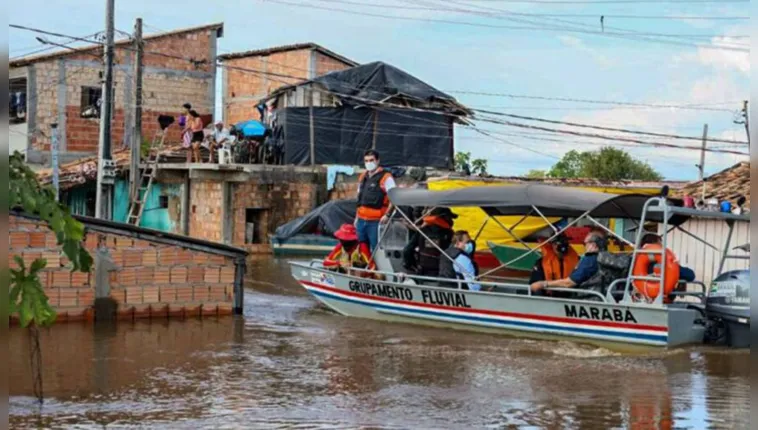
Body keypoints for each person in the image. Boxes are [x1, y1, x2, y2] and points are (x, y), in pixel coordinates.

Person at [530, 231, 605, 294]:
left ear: (594, 245)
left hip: (575, 296)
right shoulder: (541, 263)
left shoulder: (586, 260)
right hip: (551, 297)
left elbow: (570, 283)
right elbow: (534, 286)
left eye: (585, 243)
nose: (562, 245)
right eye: (557, 243)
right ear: (552, 245)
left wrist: (544, 284)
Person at [354, 150, 396, 253]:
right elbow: (359, 198)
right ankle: (364, 268)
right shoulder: (363, 176)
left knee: (376, 249)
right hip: (361, 220)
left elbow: (394, 198)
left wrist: (387, 215)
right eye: (366, 161)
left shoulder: (386, 177)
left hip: (376, 221)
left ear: (377, 161)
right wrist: (356, 217)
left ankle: (376, 268)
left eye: (371, 160)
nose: (369, 163)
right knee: (361, 248)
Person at [403, 207, 457, 278]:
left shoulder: (422, 231)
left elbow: (406, 251)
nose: (451, 220)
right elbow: (455, 253)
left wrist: (411, 265)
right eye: (449, 217)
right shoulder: (449, 233)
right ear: (444, 217)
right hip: (441, 273)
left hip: (422, 271)